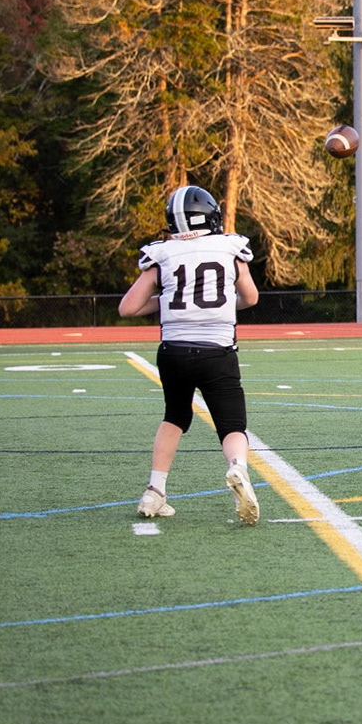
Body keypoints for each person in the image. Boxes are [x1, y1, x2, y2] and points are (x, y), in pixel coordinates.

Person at [117, 185, 262, 524]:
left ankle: (155, 490)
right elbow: (251, 297)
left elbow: (128, 307)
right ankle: (238, 469)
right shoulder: (230, 248)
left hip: (174, 352)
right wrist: (225, 300)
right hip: (217, 351)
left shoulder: (162, 254)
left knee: (175, 417)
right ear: (211, 215)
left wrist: (166, 301)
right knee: (232, 425)